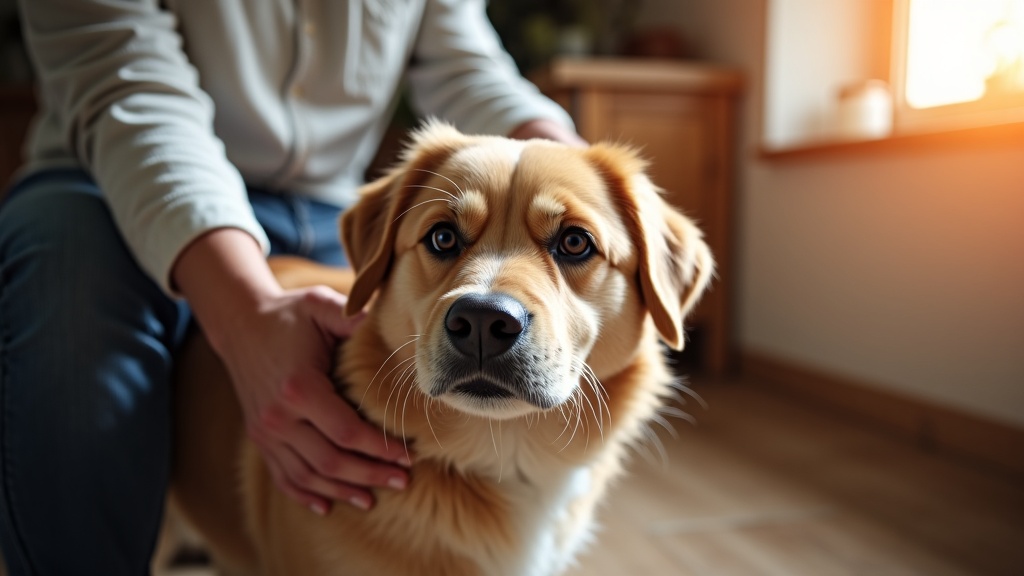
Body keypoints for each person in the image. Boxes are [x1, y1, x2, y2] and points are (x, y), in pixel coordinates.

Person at [0, 0, 585, 573]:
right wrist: (245, 312)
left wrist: (582, 186)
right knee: (72, 342)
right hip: (106, 181)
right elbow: (122, 82)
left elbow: (462, 63)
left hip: (330, 205)